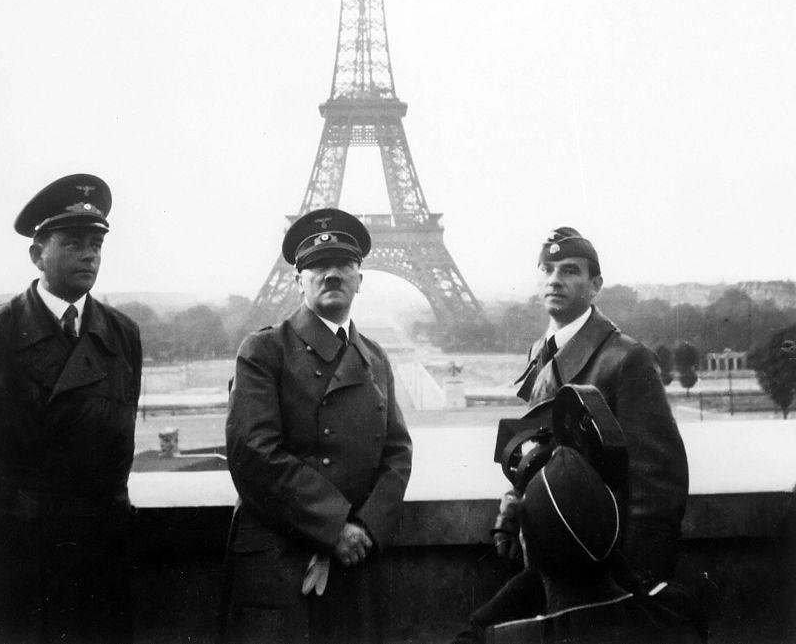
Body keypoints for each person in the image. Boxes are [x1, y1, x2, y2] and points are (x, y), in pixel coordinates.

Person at [453, 226, 688, 642]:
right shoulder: (543, 350)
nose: (554, 279)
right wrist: (513, 511)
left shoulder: (626, 360)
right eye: (547, 269)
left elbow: (658, 488)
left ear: (595, 285)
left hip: (601, 581)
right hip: (550, 564)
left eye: (570, 270)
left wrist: (637, 588)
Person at [224, 208, 413, 644]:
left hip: (354, 557)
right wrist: (334, 526)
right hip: (283, 557)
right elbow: (253, 452)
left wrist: (364, 529)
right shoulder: (263, 350)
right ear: (298, 280)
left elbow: (397, 452)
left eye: (343, 264)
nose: (331, 274)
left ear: (360, 277)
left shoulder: (375, 356)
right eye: (317, 265)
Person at [0, 173, 143, 644]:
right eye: (74, 242)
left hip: (104, 548)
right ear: (38, 253)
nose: (89, 255)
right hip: (25, 552)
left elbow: (118, 437)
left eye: (96, 244)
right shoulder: (1, 333)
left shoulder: (123, 334)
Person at [487, 445, 703, 644]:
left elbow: (475, 632)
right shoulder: (680, 617)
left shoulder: (507, 638)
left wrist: (534, 563)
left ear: (526, 546)